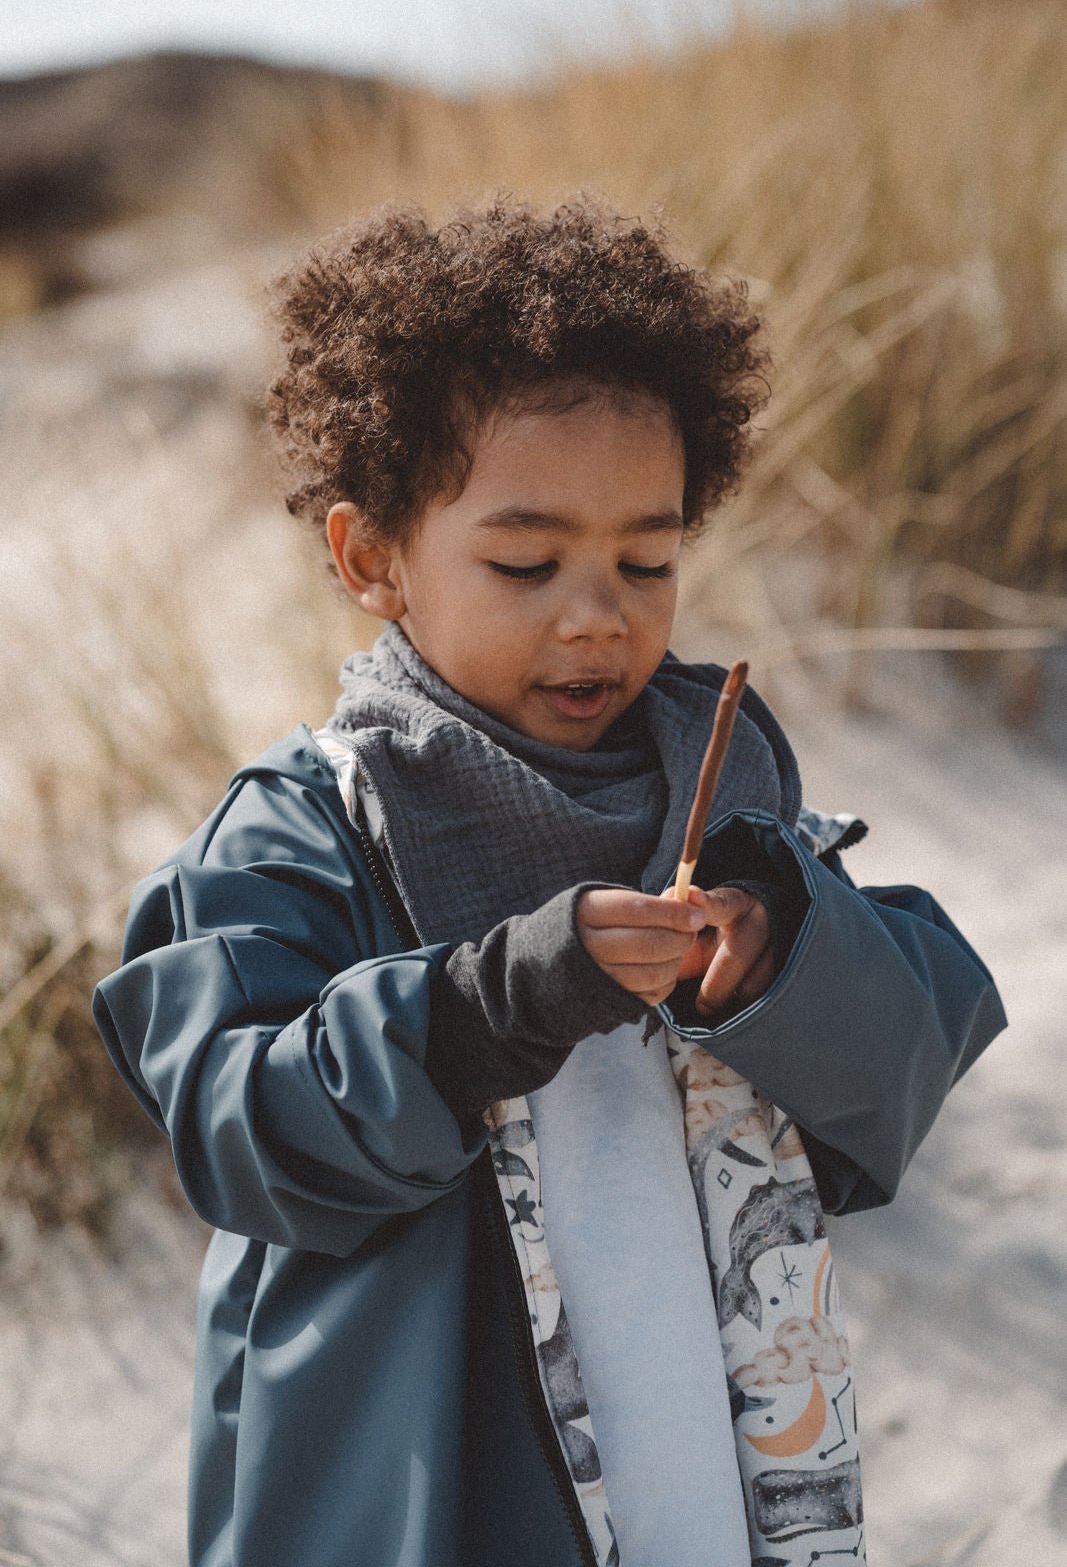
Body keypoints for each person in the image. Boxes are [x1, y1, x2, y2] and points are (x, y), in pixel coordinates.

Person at [93, 198, 1006, 1567]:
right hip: (431, 1481)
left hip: (703, 1441)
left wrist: (783, 961)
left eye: (648, 558)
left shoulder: (725, 782)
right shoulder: (308, 825)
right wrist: (479, 1008)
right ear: (372, 559)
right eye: (528, 562)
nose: (601, 613)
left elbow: (906, 1062)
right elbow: (238, 1127)